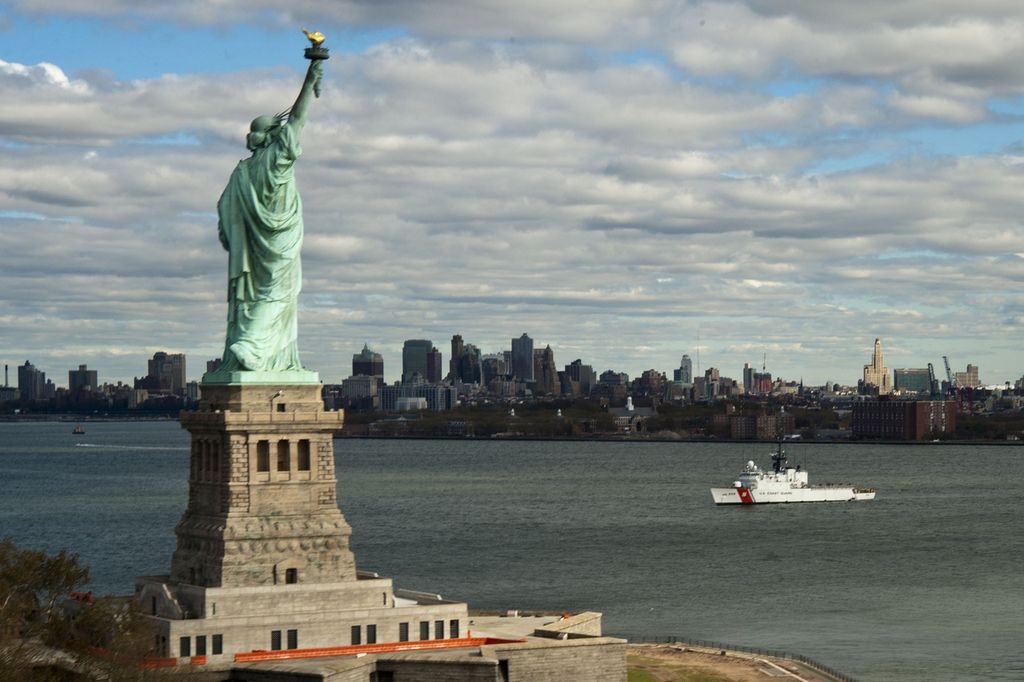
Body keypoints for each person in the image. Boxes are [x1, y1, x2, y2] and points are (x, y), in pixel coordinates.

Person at [214, 59, 323, 372]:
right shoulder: (278, 158)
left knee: (255, 298)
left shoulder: (243, 171)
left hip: (252, 247)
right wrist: (310, 79)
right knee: (277, 295)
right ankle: (250, 346)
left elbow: (225, 213)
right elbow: (299, 119)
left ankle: (268, 355)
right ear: (274, 135)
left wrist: (235, 239)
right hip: (282, 241)